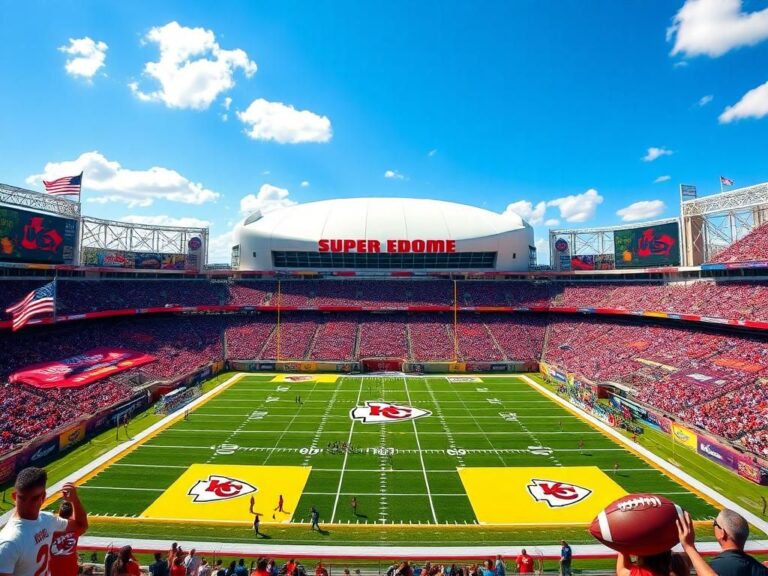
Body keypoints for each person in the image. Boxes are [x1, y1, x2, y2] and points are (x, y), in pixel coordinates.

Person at [0, 467, 88, 576]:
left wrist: (74, 500)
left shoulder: (47, 519)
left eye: (34, 499)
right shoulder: (8, 543)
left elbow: (81, 525)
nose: (28, 504)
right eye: (22, 498)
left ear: (43, 497)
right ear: (14, 496)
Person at [677, 509, 768, 576]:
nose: (714, 526)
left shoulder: (717, 567)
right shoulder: (760, 569)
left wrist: (689, 546)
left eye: (715, 524)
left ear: (722, 533)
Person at [49, 502, 83, 576]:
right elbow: (83, 523)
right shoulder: (76, 527)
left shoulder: (50, 527)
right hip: (70, 570)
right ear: (72, 514)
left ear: (59, 512)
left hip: (52, 570)